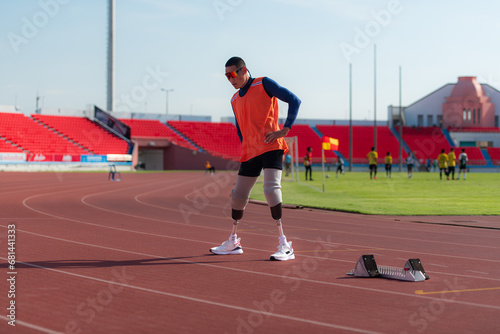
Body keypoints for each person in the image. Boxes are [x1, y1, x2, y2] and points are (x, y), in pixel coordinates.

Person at [210, 56, 300, 261]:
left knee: (270, 189)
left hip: (271, 146)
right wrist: (245, 144)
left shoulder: (263, 83)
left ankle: (285, 245)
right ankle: (233, 242)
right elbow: (240, 126)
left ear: (244, 70)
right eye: (226, 76)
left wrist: (285, 129)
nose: (230, 79)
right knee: (237, 196)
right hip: (251, 151)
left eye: (233, 74)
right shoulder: (234, 99)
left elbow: (294, 100)